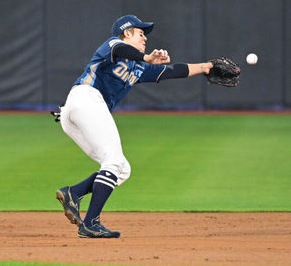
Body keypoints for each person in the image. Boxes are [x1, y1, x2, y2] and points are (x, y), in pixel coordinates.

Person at [54, 14, 214, 238]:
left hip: (78, 111)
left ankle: (73, 193)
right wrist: (147, 57)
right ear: (126, 32)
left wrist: (206, 67)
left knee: (121, 168)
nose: (145, 37)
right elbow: (122, 50)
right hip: (85, 99)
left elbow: (173, 70)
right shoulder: (113, 45)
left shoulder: (139, 67)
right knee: (113, 161)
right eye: (141, 33)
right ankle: (91, 223)